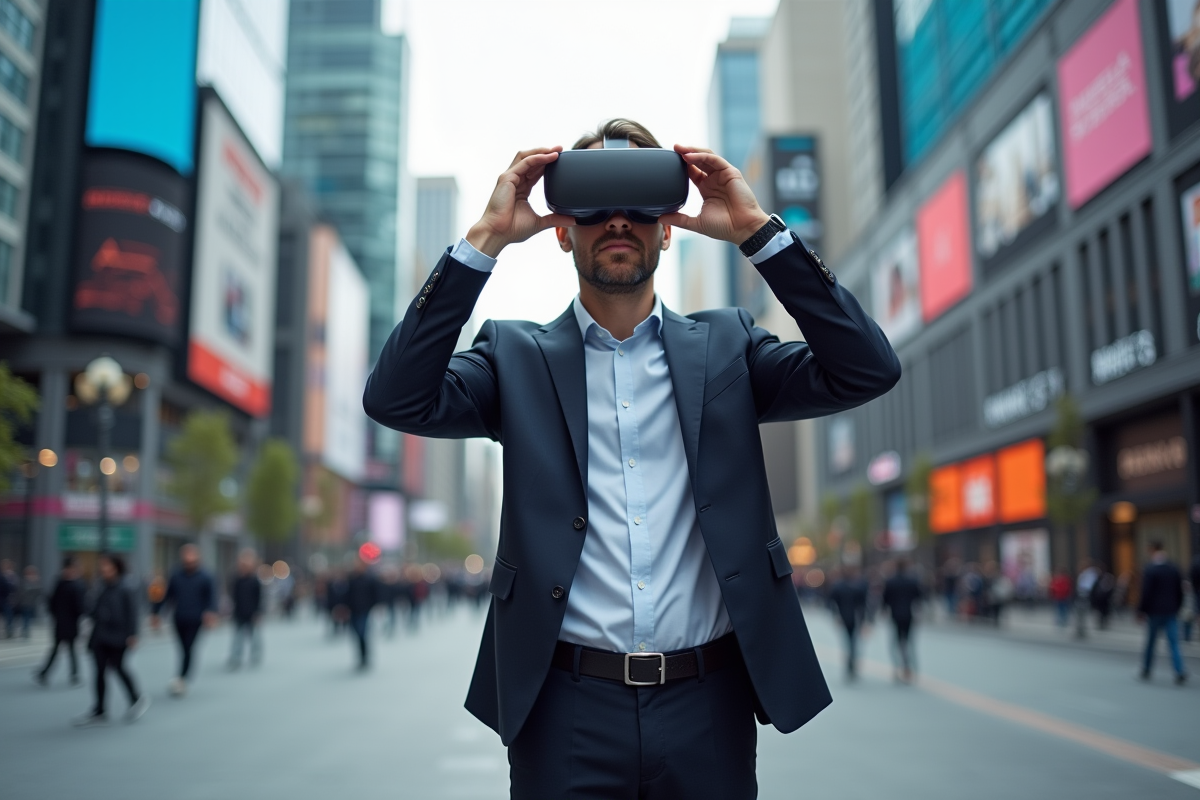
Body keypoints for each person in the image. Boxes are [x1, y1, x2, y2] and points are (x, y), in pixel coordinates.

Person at [361, 119, 900, 798]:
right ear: (562, 229)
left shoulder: (728, 347)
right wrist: (485, 240)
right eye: (592, 206)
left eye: (641, 206)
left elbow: (866, 369)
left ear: (668, 227)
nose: (618, 222)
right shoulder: (514, 358)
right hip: (563, 711)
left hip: (709, 704)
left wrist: (760, 234)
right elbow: (395, 398)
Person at [73, 554, 150, 726]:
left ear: (116, 567)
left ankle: (136, 698)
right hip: (100, 635)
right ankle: (99, 709)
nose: (104, 569)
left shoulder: (126, 586)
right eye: (102, 566)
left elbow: (132, 613)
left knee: (119, 667)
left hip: (118, 636)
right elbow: (93, 610)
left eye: (107, 566)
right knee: (99, 672)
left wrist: (133, 635)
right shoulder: (101, 586)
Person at [150, 543, 217, 697]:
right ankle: (182, 676)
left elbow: (211, 598)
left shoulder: (205, 576)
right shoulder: (176, 575)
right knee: (182, 647)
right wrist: (156, 613)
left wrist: (210, 613)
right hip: (179, 617)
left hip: (196, 618)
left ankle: (182, 678)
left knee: (188, 647)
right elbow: (167, 596)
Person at [1138, 541, 1188, 685]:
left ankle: (1147, 668)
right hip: (1170, 611)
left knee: (1151, 642)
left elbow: (1145, 593)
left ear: (1152, 550)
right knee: (1174, 643)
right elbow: (1180, 591)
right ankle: (1179, 670)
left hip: (1154, 612)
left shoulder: (1150, 569)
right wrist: (1177, 606)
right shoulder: (1173, 567)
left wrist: (1141, 610)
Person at [36, 556, 86, 686]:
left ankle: (70, 673)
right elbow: (52, 602)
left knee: (68, 649)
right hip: (64, 621)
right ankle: (70, 674)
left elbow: (79, 606)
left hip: (67, 622)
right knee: (63, 648)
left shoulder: (68, 583)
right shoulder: (68, 583)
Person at [881, 559, 923, 683]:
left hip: (895, 615)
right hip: (908, 614)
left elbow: (885, 599)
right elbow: (918, 598)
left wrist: (883, 611)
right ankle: (908, 667)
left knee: (897, 643)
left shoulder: (890, 581)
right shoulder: (912, 581)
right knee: (909, 642)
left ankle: (898, 668)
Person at [828, 566, 870, 680]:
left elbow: (831, 602)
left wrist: (835, 615)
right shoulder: (859, 586)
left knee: (849, 641)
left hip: (846, 617)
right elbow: (864, 604)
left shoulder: (839, 586)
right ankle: (851, 664)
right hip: (854, 617)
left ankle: (850, 664)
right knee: (852, 642)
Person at [339, 557, 380, 670]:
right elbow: (346, 594)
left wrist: (374, 606)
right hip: (353, 610)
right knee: (356, 633)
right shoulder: (351, 579)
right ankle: (361, 656)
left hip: (364, 610)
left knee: (362, 633)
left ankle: (365, 657)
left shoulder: (370, 579)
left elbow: (375, 594)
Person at [227, 549, 262, 669]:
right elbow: (234, 596)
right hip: (239, 612)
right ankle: (235, 658)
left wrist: (258, 612)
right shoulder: (237, 579)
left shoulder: (255, 580)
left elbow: (259, 598)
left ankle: (255, 655)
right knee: (237, 637)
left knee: (255, 637)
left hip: (252, 613)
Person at [15, 564, 42, 637]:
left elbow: (39, 593)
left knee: (28, 617)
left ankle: (25, 630)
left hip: (31, 603)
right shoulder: (24, 580)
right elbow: (21, 592)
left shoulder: (36, 581)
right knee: (25, 617)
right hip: (24, 603)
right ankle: (25, 630)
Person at [0, 559, 18, 637]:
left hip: (7, 600)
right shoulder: (2, 576)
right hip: (2, 598)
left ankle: (9, 630)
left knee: (9, 616)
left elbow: (14, 589)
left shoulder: (13, 577)